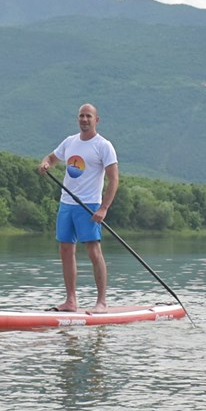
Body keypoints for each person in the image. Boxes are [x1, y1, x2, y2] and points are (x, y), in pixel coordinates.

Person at [38, 103, 118, 311]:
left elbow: (114, 180)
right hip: (67, 203)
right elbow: (51, 158)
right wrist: (45, 164)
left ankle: (101, 302)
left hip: (89, 205)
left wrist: (104, 208)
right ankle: (71, 301)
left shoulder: (104, 146)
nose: (84, 119)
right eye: (81, 116)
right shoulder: (70, 142)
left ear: (96, 120)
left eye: (88, 116)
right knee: (65, 249)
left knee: (93, 251)